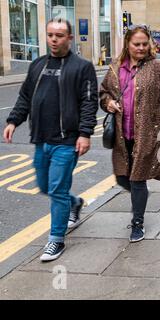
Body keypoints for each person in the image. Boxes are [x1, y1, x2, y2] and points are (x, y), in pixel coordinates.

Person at [3, 18, 98, 262]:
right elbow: (25, 96)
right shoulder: (37, 65)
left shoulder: (82, 67)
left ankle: (56, 240)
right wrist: (14, 121)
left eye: (59, 35)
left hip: (67, 141)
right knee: (46, 187)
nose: (54, 39)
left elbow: (89, 102)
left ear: (69, 38)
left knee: (56, 189)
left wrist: (85, 134)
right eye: (50, 35)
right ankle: (74, 203)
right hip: (41, 139)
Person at [99, 24, 160, 243]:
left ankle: (137, 223)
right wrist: (108, 102)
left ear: (150, 45)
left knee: (137, 179)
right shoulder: (115, 68)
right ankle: (141, 196)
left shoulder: (158, 68)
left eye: (144, 44)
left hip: (148, 134)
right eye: (136, 44)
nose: (140, 48)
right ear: (127, 44)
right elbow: (103, 94)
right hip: (122, 135)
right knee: (122, 177)